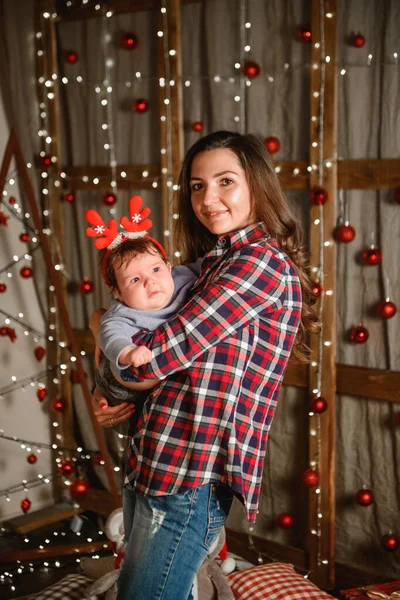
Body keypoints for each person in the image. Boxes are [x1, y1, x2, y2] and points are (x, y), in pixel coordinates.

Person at [91, 130, 319, 600]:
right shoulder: (211, 263)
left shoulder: (255, 265)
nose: (209, 199)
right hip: (155, 458)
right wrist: (112, 346)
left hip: (187, 472)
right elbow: (145, 345)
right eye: (197, 186)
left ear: (256, 185)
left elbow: (148, 360)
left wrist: (101, 333)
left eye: (225, 181)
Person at [85, 200, 201, 433]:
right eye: (134, 280)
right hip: (121, 387)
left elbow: (208, 265)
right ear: (118, 292)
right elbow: (110, 336)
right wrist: (128, 352)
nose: (150, 281)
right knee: (124, 415)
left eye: (156, 269)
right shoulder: (122, 314)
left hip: (161, 382)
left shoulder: (184, 277)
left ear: (168, 266)